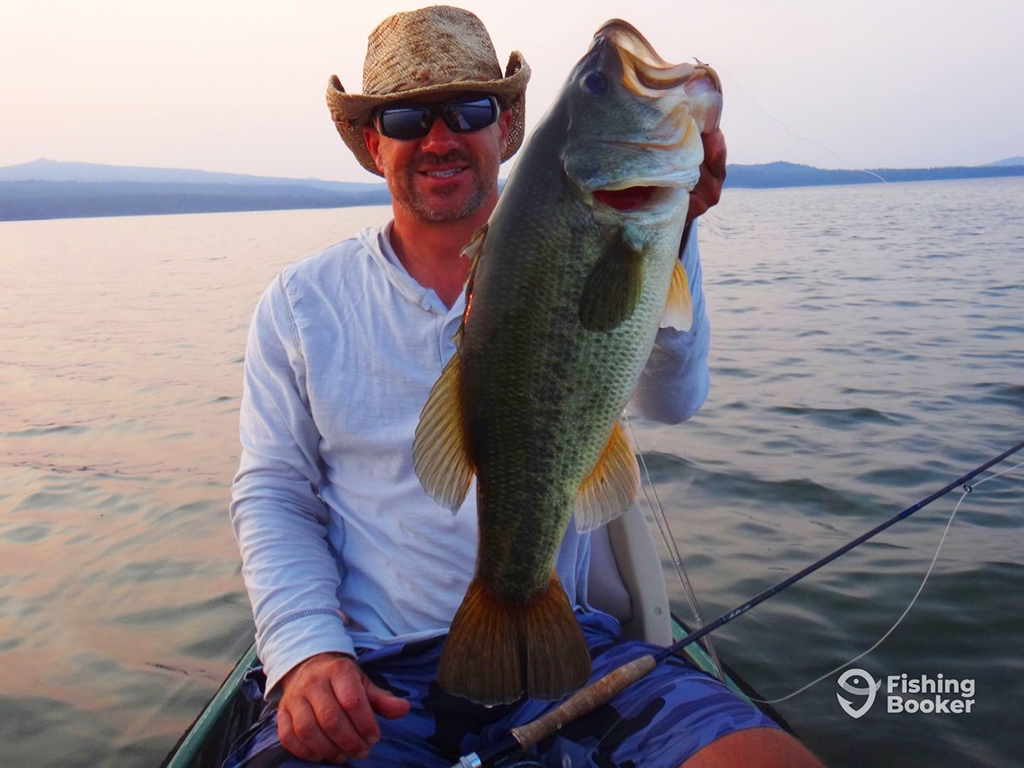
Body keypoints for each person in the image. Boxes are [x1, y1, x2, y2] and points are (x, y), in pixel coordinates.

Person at [228, 6, 822, 768]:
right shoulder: (302, 303)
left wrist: (669, 233)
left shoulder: (603, 230)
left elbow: (671, 401)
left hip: (573, 648)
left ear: (507, 127)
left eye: (469, 109)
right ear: (374, 145)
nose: (439, 138)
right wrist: (306, 652)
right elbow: (274, 491)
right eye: (408, 117)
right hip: (371, 671)